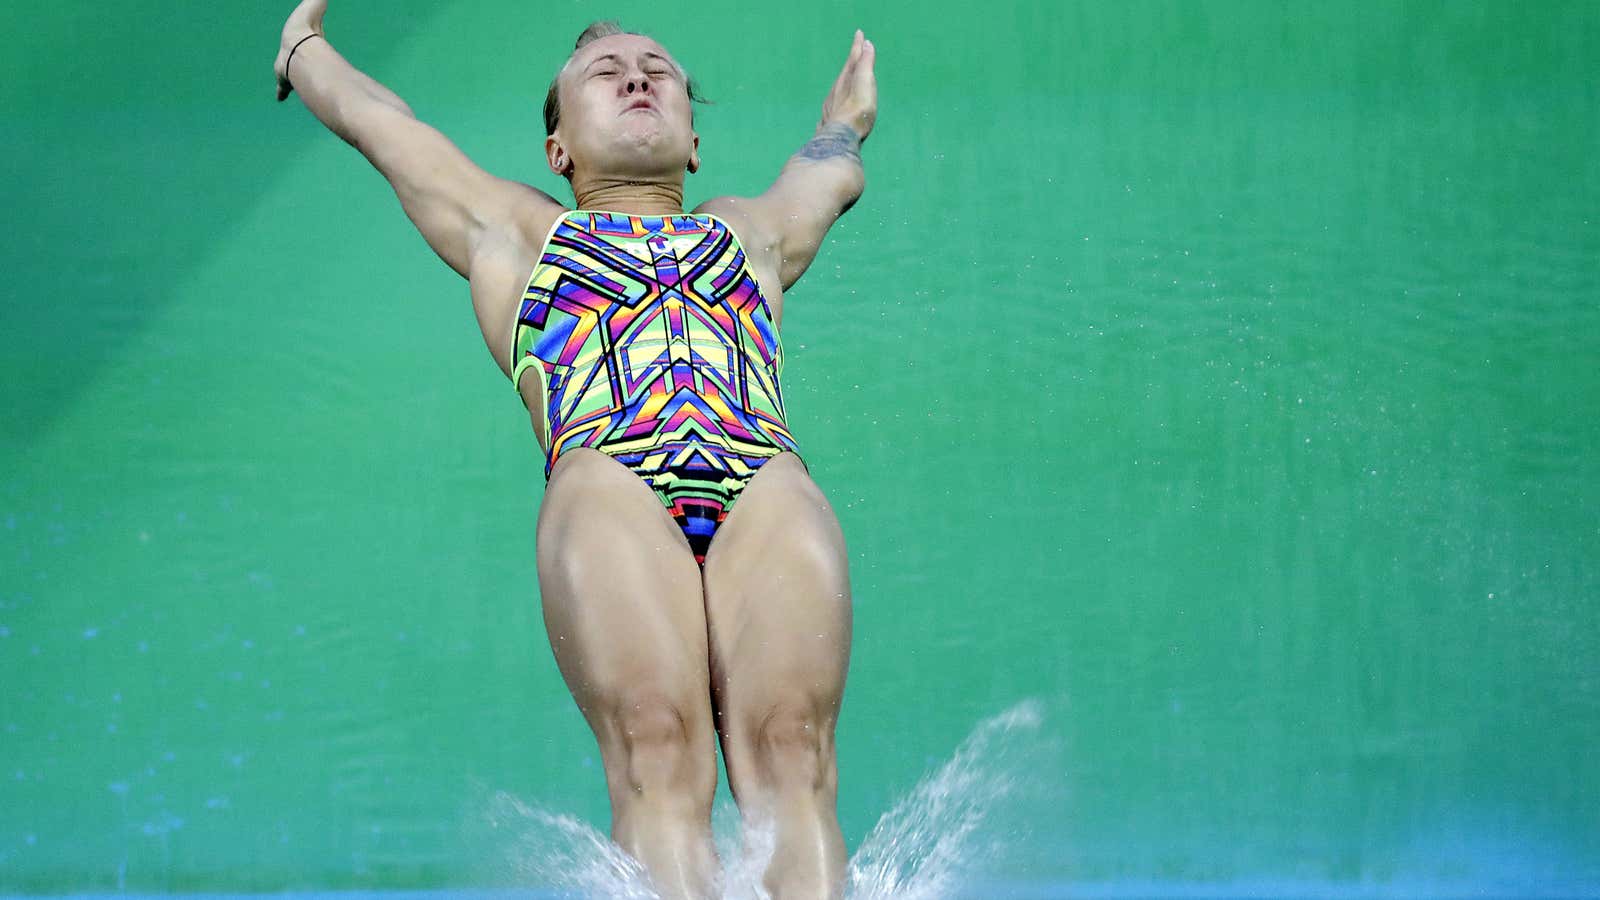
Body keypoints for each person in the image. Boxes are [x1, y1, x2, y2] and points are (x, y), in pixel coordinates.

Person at [273, 3, 875, 897]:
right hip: (611, 482)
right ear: (559, 151)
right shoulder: (512, 231)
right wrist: (303, 51)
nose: (637, 76)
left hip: (762, 479)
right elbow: (380, 124)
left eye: (659, 69)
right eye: (605, 73)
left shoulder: (747, 231)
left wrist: (844, 124)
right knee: (655, 743)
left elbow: (828, 176)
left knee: (795, 752)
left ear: (695, 142)